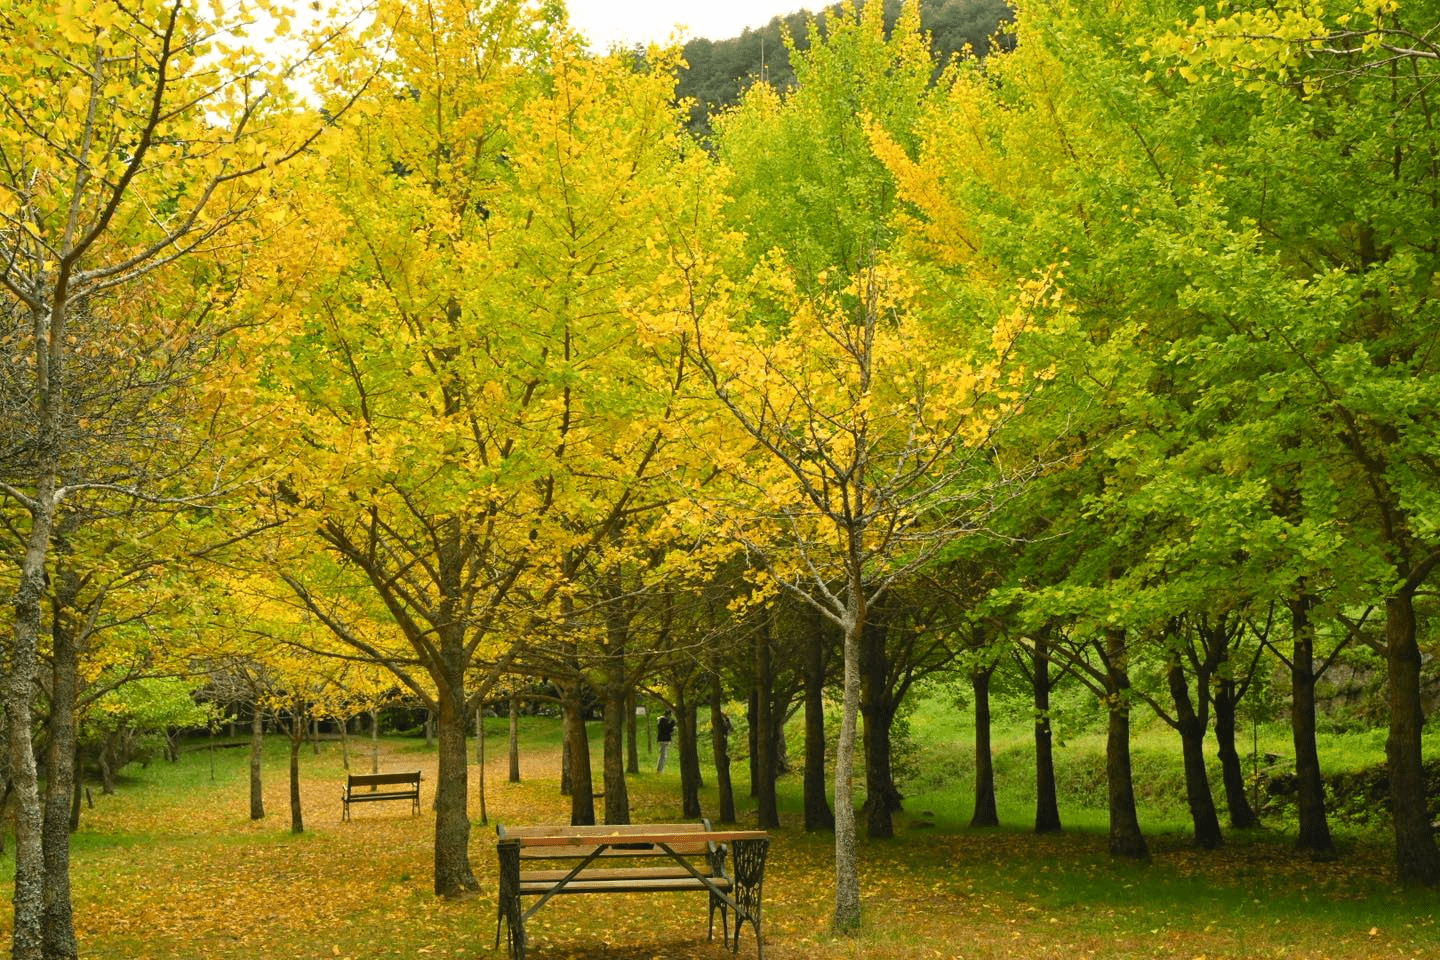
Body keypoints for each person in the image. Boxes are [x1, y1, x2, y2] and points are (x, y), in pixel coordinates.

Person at [656, 709, 675, 773]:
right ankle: (660, 769)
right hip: (664, 740)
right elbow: (668, 729)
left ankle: (660, 768)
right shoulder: (664, 721)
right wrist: (672, 724)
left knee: (663, 755)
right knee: (663, 756)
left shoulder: (661, 721)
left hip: (662, 740)